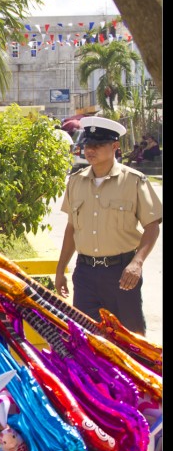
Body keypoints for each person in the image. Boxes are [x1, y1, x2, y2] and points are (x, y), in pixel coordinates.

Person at [54, 115, 162, 336]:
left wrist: (137, 262)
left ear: (115, 146)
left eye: (98, 144)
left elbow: (152, 225)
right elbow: (71, 229)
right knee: (86, 338)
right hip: (85, 273)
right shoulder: (76, 181)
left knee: (131, 339)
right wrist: (60, 269)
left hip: (121, 273)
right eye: (88, 144)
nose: (90, 150)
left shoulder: (134, 181)